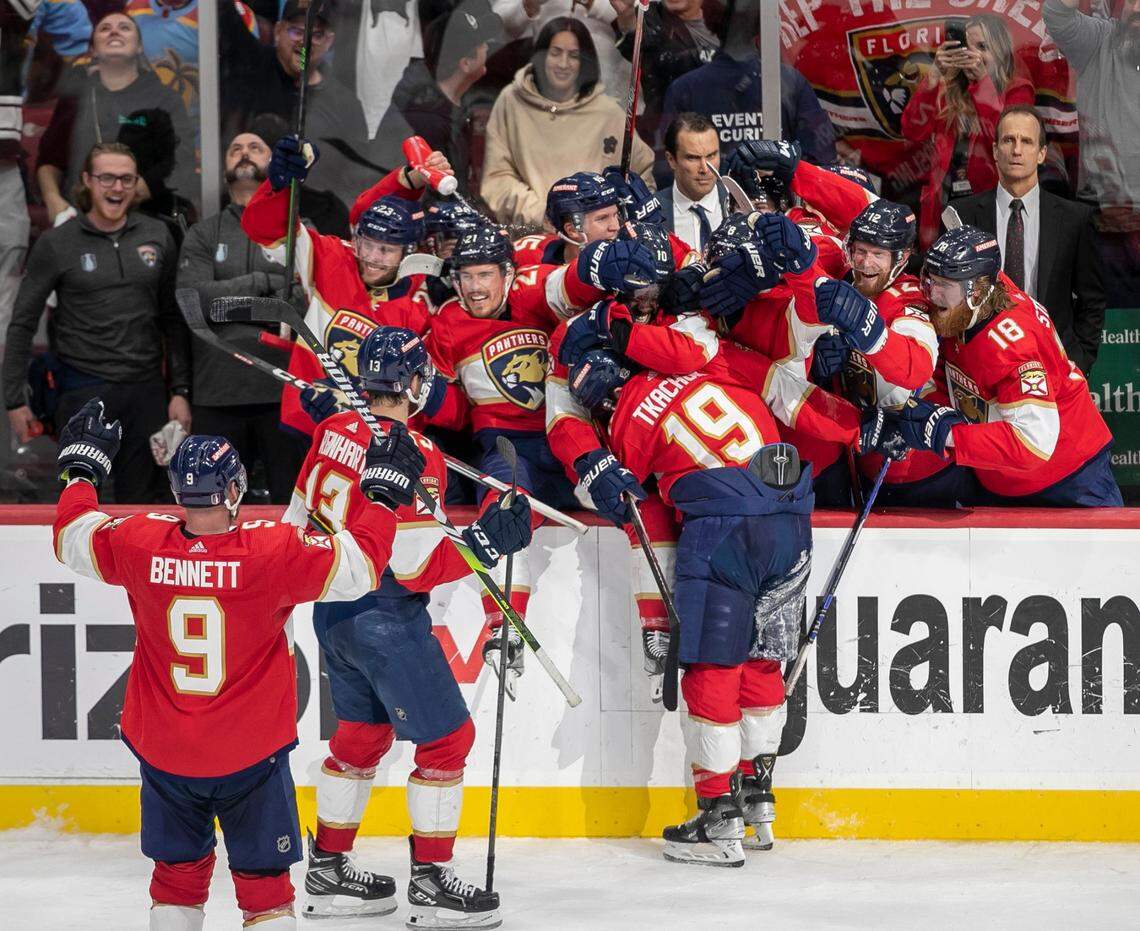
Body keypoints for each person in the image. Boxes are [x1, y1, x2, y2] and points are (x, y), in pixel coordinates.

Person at [51, 398, 425, 930]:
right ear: (231, 490)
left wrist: (81, 471)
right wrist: (382, 496)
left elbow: (71, 536)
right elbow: (362, 566)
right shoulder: (271, 552)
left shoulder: (138, 541)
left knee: (176, 879)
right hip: (251, 755)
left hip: (166, 753)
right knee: (266, 889)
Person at [562, 345, 897, 863]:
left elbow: (625, 497)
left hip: (724, 533)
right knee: (764, 662)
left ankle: (718, 818)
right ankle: (757, 797)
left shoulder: (627, 418)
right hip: (790, 522)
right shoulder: (708, 366)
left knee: (713, 671)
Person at [286, 326, 530, 927]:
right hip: (384, 614)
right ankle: (431, 882)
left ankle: (327, 869)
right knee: (449, 741)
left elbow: (300, 519)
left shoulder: (332, 429)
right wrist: (485, 541)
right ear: (414, 383)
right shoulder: (412, 455)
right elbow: (415, 565)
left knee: (361, 738)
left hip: (332, 608)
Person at [426, 223, 654, 666]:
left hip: (568, 439)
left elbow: (566, 285)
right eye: (466, 277)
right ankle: (505, 625)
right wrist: (427, 396)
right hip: (508, 449)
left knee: (628, 500)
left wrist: (598, 264)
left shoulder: (532, 296)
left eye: (485, 275)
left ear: (508, 274)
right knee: (503, 505)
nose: (475, 288)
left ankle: (656, 625)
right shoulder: (446, 325)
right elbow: (451, 409)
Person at [5, 142, 189, 503]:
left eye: (126, 179)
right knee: (82, 502)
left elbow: (173, 319)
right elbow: (22, 322)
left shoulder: (159, 235)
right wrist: (14, 399)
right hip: (83, 393)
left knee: (142, 508)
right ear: (87, 180)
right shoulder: (57, 243)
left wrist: (180, 391)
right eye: (107, 178)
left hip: (146, 392)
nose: (116, 188)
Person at [889, 225, 1122, 507]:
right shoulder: (972, 300)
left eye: (944, 285)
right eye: (930, 280)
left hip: (1068, 478)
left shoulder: (1012, 345)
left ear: (979, 292)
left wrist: (948, 433)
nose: (932, 294)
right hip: (999, 478)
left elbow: (1032, 443)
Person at [240, 134, 447, 436]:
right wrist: (279, 186)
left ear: (409, 252)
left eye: (386, 250)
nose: (372, 259)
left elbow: (424, 387)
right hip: (309, 424)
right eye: (366, 244)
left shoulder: (423, 297)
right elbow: (262, 229)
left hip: (379, 437)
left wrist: (360, 404)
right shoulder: (331, 257)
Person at [177, 129, 308, 503]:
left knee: (291, 507)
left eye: (255, 146)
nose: (244, 153)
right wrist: (265, 282)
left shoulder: (298, 231)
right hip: (217, 391)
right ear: (224, 168)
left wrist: (229, 302)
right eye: (235, 149)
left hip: (285, 392)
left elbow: (303, 303)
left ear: (274, 163)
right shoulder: (203, 234)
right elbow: (195, 301)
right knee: (218, 507)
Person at [951, 105, 1106, 375]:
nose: (1017, 150)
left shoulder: (1074, 219)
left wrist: (1079, 360)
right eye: (1009, 140)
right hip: (980, 364)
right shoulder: (961, 215)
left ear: (1042, 153)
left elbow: (1091, 299)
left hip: (1054, 363)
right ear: (995, 150)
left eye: (1026, 141)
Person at [481, 16, 655, 228]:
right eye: (555, 53)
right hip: (533, 236)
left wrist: (605, 221)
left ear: (585, 61)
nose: (563, 64)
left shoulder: (608, 113)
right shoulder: (511, 102)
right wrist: (545, 215)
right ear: (540, 56)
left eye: (573, 55)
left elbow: (640, 178)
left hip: (601, 242)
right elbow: (497, 178)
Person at [35, 10, 196, 224]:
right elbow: (49, 160)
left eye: (124, 28)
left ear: (139, 47)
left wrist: (119, 198)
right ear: (93, 49)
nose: (114, 32)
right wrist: (53, 199)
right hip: (80, 221)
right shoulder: (75, 98)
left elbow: (180, 160)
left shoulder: (164, 99)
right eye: (105, 29)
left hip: (146, 220)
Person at [658, 1, 836, 186]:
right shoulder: (789, 82)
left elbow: (667, 172)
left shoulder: (685, 89)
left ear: (708, 15)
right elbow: (821, 161)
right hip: (771, 207)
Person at [219, 0, 371, 208]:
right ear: (278, 31)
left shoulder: (345, 104)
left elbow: (355, 175)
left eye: (316, 35)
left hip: (315, 214)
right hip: (247, 207)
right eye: (297, 32)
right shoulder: (250, 68)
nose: (305, 42)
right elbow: (224, 17)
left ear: (329, 41)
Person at [900, 13, 1034, 249]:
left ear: (1000, 50)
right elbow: (912, 131)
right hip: (942, 208)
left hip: (989, 208)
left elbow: (1007, 138)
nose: (974, 55)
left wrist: (983, 82)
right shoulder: (948, 89)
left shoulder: (1017, 90)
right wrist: (933, 77)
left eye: (983, 47)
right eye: (966, 47)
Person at [1043, 0, 1140, 307]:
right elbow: (1058, 13)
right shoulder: (1099, 41)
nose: (1137, 8)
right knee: (1110, 329)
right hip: (1107, 215)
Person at [371, 0, 501, 187]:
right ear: (465, 64)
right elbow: (433, 198)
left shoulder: (453, 104)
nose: (487, 47)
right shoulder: (426, 122)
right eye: (481, 44)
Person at [610, 0, 721, 148]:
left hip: (726, 126)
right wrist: (627, 15)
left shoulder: (727, 18)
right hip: (671, 136)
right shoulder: (651, 17)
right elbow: (639, 45)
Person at [659, 112, 730, 251]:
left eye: (711, 156)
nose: (704, 168)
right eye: (693, 158)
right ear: (671, 160)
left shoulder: (740, 205)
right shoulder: (653, 216)